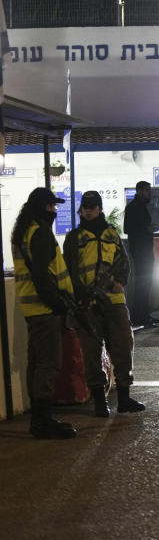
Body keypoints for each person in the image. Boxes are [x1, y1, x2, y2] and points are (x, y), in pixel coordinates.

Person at [64, 191, 145, 417]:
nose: (88, 210)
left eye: (92, 206)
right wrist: (81, 295)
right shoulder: (74, 238)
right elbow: (69, 269)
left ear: (99, 208)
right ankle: (100, 402)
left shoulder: (112, 234)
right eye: (85, 207)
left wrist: (120, 281)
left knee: (122, 346)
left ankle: (125, 398)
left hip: (114, 300)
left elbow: (124, 263)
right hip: (86, 303)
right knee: (91, 352)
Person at [10, 188, 78, 439]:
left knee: (37, 363)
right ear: (41, 208)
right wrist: (59, 304)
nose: (54, 210)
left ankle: (38, 419)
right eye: (51, 206)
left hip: (32, 308)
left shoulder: (24, 233)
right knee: (49, 364)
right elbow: (41, 276)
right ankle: (42, 422)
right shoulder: (39, 234)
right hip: (45, 308)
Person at [124, 181, 159, 327]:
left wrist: (148, 228)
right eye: (146, 190)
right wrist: (147, 228)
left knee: (145, 283)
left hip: (144, 249)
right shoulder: (133, 207)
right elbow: (127, 228)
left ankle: (143, 314)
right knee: (143, 283)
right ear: (139, 191)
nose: (149, 193)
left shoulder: (141, 207)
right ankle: (140, 316)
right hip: (140, 250)